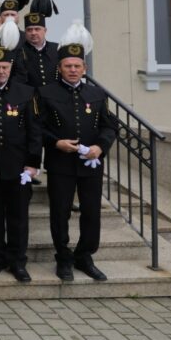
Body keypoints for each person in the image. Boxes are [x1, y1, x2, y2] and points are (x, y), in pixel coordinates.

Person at [37, 21, 115, 282]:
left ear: (84, 68)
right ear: (59, 68)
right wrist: (55, 143)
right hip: (61, 164)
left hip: (90, 164)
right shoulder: (46, 93)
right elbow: (38, 127)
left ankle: (85, 255)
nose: (72, 70)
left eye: (77, 66)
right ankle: (63, 257)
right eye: (67, 66)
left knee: (92, 212)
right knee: (60, 212)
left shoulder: (97, 93)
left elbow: (108, 126)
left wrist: (100, 147)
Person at [0, 21, 42, 282]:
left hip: (19, 167)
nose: (1, 71)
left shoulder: (25, 93)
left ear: (11, 67)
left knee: (18, 217)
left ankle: (18, 261)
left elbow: (34, 131)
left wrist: (32, 163)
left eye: (4, 67)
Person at [20, 0, 60, 89]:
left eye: (37, 29)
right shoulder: (19, 51)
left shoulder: (57, 49)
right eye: (29, 30)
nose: (33, 33)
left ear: (45, 30)